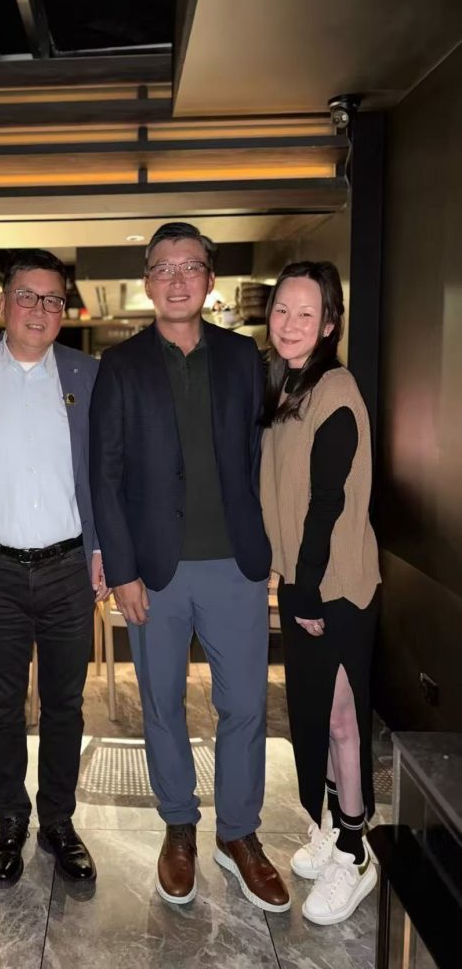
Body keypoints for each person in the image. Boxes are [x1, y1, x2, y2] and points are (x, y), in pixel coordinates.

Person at [89, 222, 290, 912]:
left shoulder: (243, 357)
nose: (178, 280)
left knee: (245, 706)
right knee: (162, 704)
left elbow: (264, 456)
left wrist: (275, 546)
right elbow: (104, 474)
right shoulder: (120, 364)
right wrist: (121, 570)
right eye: (164, 268)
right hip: (155, 571)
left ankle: (239, 834)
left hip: (236, 564)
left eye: (191, 267)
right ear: (148, 282)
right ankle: (179, 827)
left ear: (209, 279)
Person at [0, 249, 107, 889]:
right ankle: (10, 817)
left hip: (69, 567)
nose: (40, 309)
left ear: (63, 310)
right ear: (3, 302)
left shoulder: (88, 375)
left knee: (66, 704)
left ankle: (58, 822)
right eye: (27, 296)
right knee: (2, 705)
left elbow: (105, 472)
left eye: (52, 299)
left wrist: (102, 550)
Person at [260, 260, 381, 925]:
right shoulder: (289, 385)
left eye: (307, 313)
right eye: (282, 309)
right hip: (305, 579)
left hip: (335, 586)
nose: (291, 323)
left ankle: (357, 851)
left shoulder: (334, 390)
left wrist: (304, 590)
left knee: (340, 718)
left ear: (330, 323)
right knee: (318, 713)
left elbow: (327, 502)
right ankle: (334, 828)